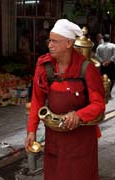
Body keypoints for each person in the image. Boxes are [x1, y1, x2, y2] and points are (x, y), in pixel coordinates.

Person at [25, 19, 105, 180]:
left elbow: (99, 104)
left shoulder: (87, 69)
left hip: (81, 140)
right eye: (50, 40)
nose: (50, 45)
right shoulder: (44, 66)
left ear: (69, 43)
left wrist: (78, 115)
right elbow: (37, 101)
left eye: (55, 41)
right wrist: (31, 130)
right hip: (55, 139)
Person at [95, 34, 115, 98]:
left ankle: (103, 93)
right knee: (111, 78)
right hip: (111, 65)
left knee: (102, 79)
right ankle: (108, 93)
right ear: (110, 39)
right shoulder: (113, 46)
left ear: (103, 39)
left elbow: (96, 55)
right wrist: (109, 61)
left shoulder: (99, 46)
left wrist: (102, 61)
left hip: (103, 65)